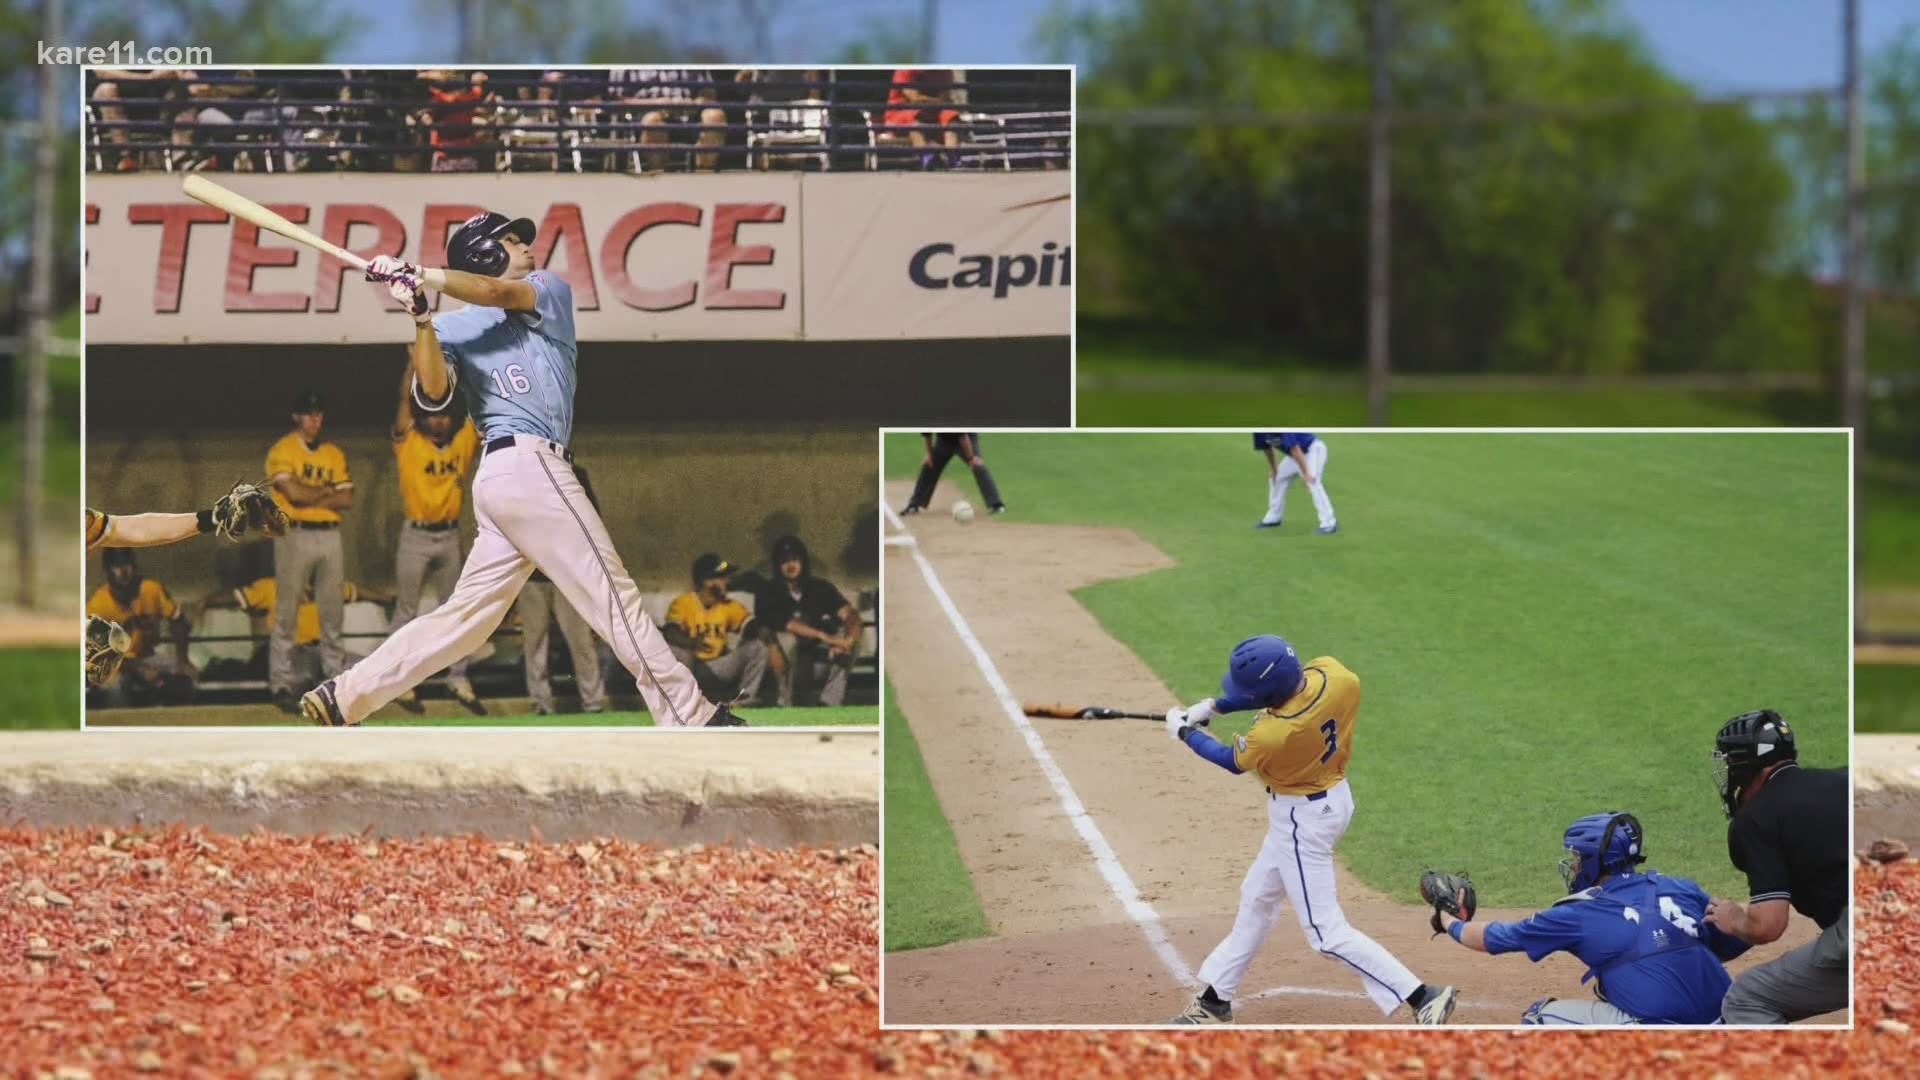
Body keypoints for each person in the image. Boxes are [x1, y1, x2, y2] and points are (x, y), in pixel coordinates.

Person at [302, 211, 746, 728]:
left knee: (466, 620)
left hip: (516, 476)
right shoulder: (449, 325)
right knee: (611, 592)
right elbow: (435, 394)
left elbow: (499, 295)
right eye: (508, 241)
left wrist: (424, 275)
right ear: (483, 253)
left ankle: (346, 696)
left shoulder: (544, 290)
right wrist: (421, 317)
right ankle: (688, 714)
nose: (525, 247)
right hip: (523, 467)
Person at [1164, 635, 1456, 1025]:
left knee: (1325, 933)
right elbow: (1273, 690)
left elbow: (1230, 760)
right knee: (1258, 897)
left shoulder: (1274, 733)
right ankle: (1216, 1001)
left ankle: (1422, 996)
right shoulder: (1337, 676)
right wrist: (1215, 706)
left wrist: (1185, 732)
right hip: (1334, 797)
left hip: (1302, 823)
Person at [1435, 812, 1751, 1024]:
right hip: (1724, 1025)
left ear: (1592, 862)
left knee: (1539, 1020)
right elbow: (1733, 943)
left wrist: (1448, 921)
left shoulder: (1578, 913)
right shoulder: (1680, 887)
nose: (1573, 866)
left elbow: (1494, 938)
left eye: (1576, 858)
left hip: (1659, 1041)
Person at [1706, 710, 1849, 1024]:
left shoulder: (1755, 818)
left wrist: (1736, 920)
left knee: (1746, 998)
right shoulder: (1846, 778)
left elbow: (1768, 925)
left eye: (1730, 760)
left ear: (1744, 765)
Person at [385, 362, 485, 715]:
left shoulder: (460, 443)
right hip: (416, 535)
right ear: (424, 417)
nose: (439, 420)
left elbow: (479, 407)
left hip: (448, 534)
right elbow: (402, 400)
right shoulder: (410, 442)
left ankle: (457, 677)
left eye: (444, 415)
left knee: (456, 609)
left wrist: (472, 364)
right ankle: (398, 682)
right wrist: (413, 363)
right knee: (407, 611)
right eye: (433, 415)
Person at [265, 390, 353, 714]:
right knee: (287, 613)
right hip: (295, 533)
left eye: (318, 414)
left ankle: (334, 683)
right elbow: (294, 494)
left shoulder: (332, 453)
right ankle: (281, 683)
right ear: (296, 417)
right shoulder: (283, 449)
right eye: (308, 414)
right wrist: (326, 492)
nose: (314, 420)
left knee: (332, 613)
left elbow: (347, 499)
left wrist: (314, 494)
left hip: (330, 535)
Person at [753, 535, 861, 707]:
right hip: (786, 663)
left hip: (818, 658)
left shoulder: (820, 587)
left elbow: (850, 614)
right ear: (777, 565)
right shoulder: (768, 591)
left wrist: (847, 640)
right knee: (788, 638)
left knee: (851, 640)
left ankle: (829, 705)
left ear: (803, 562)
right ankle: (787, 701)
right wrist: (826, 637)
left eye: (795, 559)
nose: (790, 565)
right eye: (785, 561)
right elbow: (788, 624)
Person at [85, 548, 194, 705]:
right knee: (115, 686)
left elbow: (178, 620)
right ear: (107, 571)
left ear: (135, 566)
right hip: (115, 665)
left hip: (147, 657)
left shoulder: (151, 589)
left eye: (127, 564)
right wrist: (140, 669)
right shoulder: (98, 605)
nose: (123, 570)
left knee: (187, 677)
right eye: (116, 565)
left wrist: (183, 660)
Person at [664, 553, 770, 706]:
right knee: (677, 652)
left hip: (719, 666)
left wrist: (767, 639)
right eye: (721, 577)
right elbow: (670, 633)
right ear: (705, 581)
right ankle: (680, 703)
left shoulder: (729, 605)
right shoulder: (684, 602)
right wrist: (691, 643)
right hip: (692, 665)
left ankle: (743, 700)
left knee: (758, 647)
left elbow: (752, 627)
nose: (727, 581)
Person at [900, 433, 1005, 515]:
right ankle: (914, 504)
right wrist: (929, 454)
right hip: (943, 441)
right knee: (929, 466)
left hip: (967, 438)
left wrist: (971, 458)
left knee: (978, 466)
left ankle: (996, 504)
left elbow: (963, 438)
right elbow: (927, 434)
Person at [1254, 432, 1337, 533]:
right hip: (1295, 456)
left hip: (1313, 449)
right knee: (1277, 478)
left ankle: (1329, 522)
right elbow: (1266, 448)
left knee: (1312, 482)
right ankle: (1274, 517)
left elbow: (1294, 448)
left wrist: (1306, 473)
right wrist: (1274, 468)